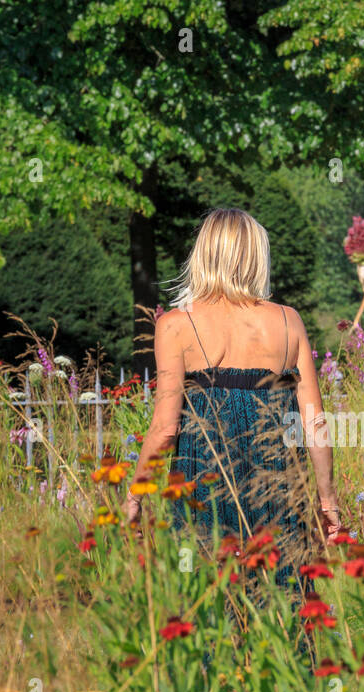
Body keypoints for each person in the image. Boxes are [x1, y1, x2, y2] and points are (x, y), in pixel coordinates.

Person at [125, 208, 341, 588]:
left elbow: (164, 429)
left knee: (205, 600)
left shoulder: (175, 326)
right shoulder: (289, 322)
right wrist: (328, 505)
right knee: (281, 600)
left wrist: (134, 496)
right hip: (278, 485)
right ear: (257, 256)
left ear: (204, 254)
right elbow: (315, 426)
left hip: (202, 484)